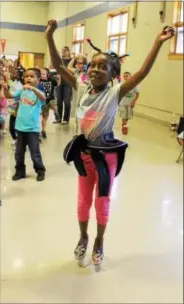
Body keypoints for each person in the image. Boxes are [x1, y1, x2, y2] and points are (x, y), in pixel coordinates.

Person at [46, 20, 175, 265]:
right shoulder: (82, 88)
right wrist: (50, 36)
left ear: (113, 74)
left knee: (101, 202)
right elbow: (58, 66)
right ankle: (84, 236)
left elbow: (142, 73)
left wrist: (157, 43)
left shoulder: (115, 93)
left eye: (102, 66)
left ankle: (99, 240)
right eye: (92, 65)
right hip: (84, 154)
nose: (95, 69)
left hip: (106, 158)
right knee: (83, 201)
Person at [2, 68, 46, 182]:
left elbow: (43, 98)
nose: (28, 78)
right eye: (26, 76)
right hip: (20, 127)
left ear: (38, 79)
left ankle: (40, 170)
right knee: (19, 152)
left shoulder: (39, 92)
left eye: (31, 76)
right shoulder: (22, 90)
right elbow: (9, 96)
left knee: (35, 152)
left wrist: (32, 88)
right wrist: (6, 89)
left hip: (33, 129)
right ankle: (20, 171)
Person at [55, 46, 73, 125]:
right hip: (60, 83)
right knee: (59, 101)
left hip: (68, 83)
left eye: (65, 50)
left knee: (67, 102)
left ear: (68, 51)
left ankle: (66, 119)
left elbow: (73, 70)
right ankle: (58, 119)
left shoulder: (71, 60)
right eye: (62, 51)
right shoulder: (59, 60)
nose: (64, 52)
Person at [40, 67, 59, 139]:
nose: (42, 75)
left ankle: (56, 113)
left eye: (43, 74)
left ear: (48, 75)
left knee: (55, 106)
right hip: (43, 100)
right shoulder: (38, 81)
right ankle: (43, 130)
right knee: (45, 117)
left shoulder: (52, 81)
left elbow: (57, 85)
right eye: (41, 74)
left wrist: (58, 79)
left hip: (51, 99)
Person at [8, 68, 23, 146]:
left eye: (15, 73)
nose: (13, 74)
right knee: (11, 126)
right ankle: (15, 138)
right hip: (13, 105)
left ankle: (20, 141)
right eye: (12, 73)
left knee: (18, 125)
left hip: (20, 106)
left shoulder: (23, 84)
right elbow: (10, 94)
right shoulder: (13, 83)